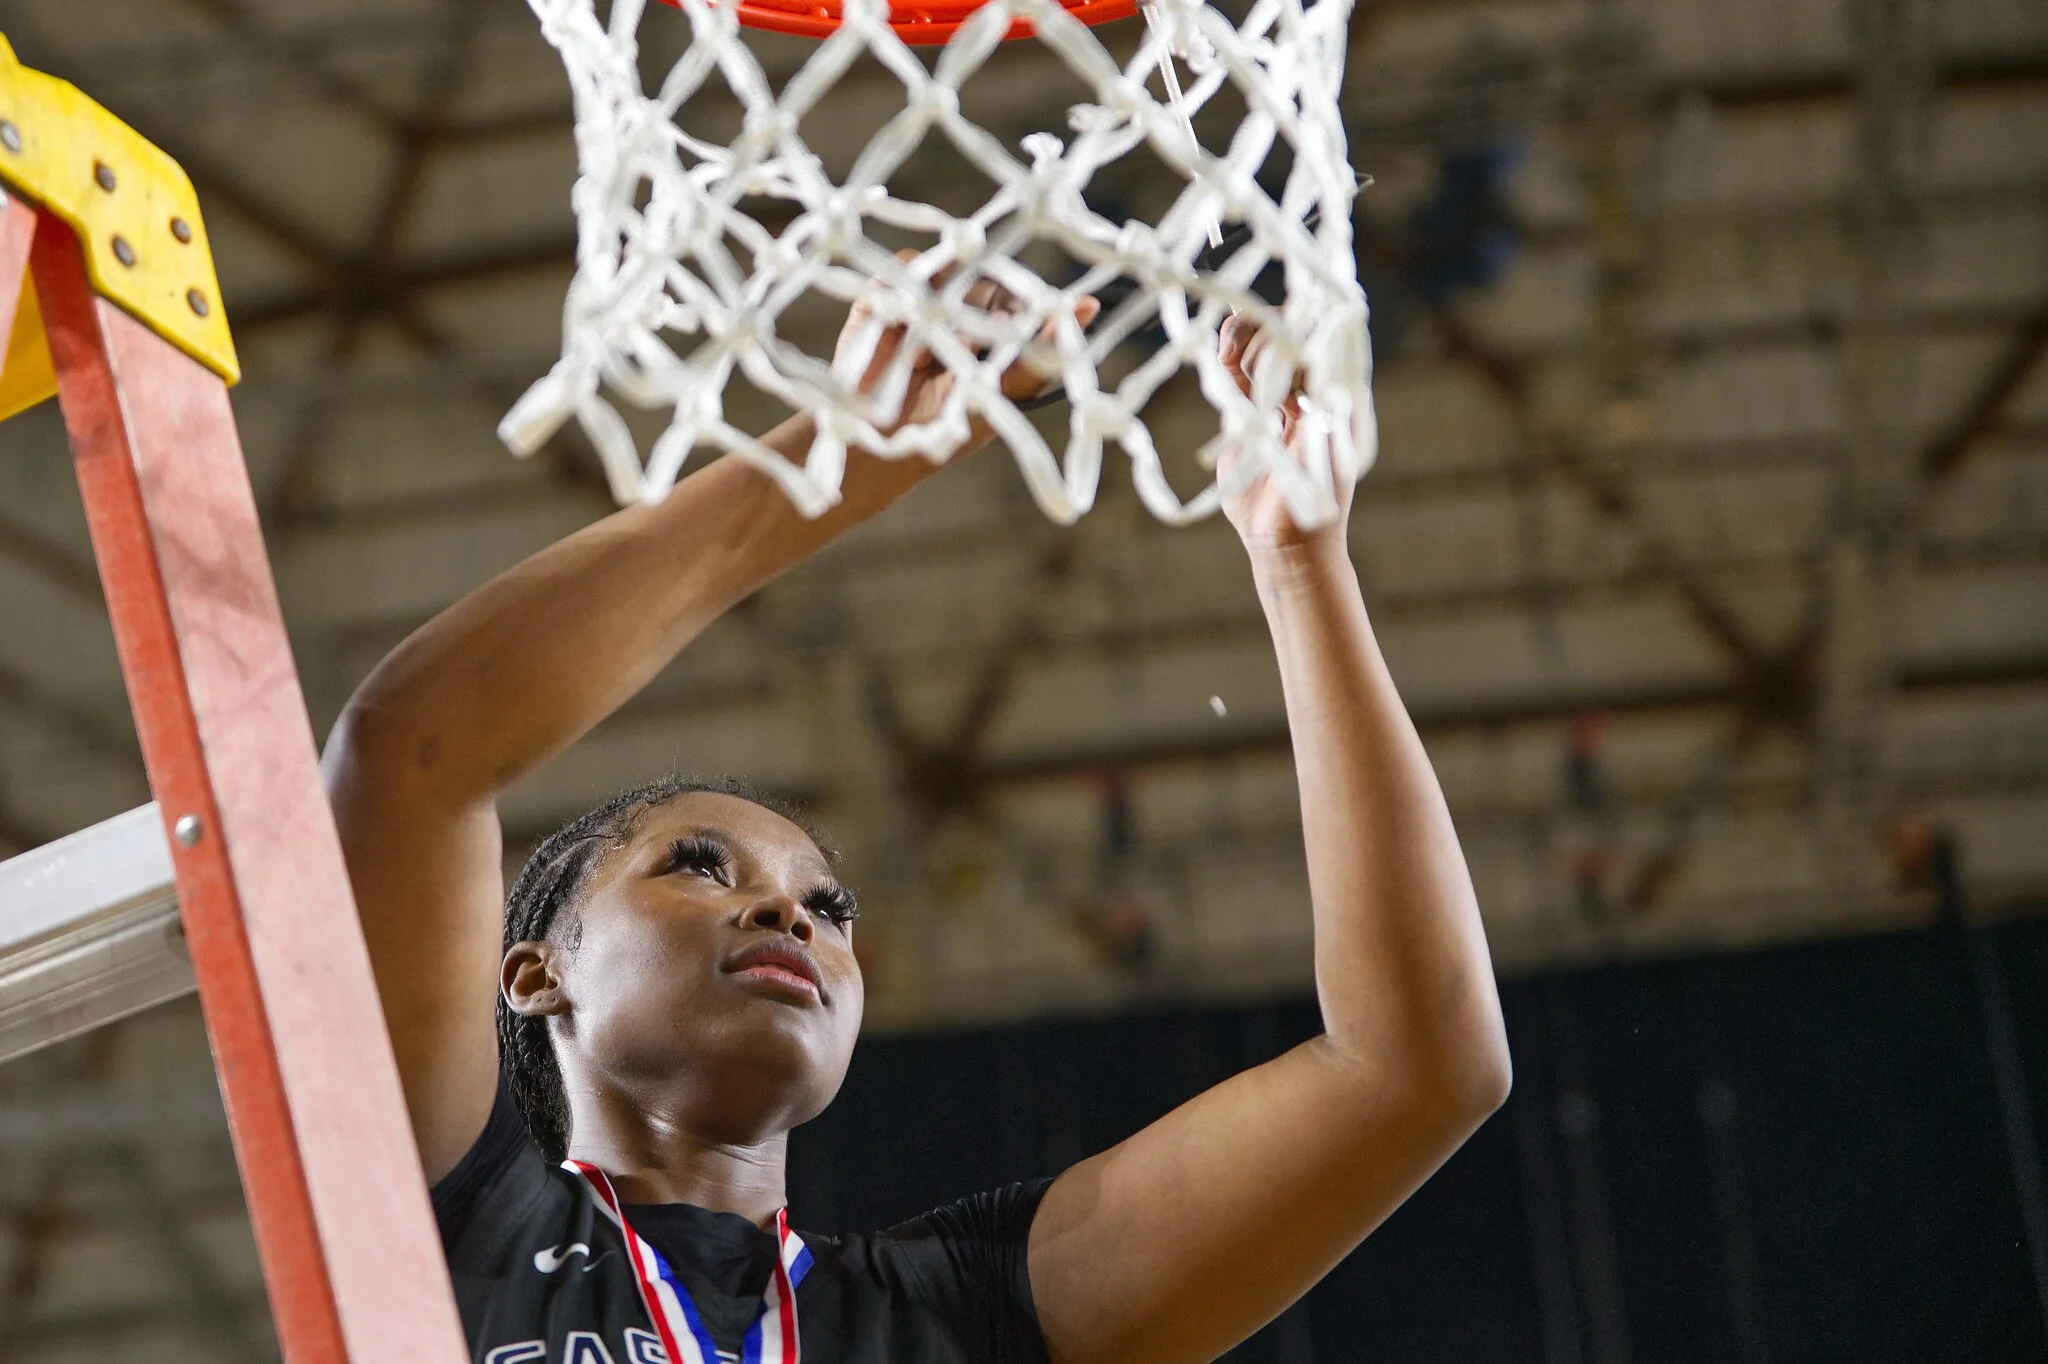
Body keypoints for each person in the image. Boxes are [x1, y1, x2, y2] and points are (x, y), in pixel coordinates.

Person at [324, 282, 1512, 1364]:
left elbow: (1412, 1067)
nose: (789, 907)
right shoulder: (448, 1213)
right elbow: (407, 753)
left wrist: (1302, 563)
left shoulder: (954, 1312)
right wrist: (844, 452)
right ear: (534, 973)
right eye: (695, 863)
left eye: (828, 907)